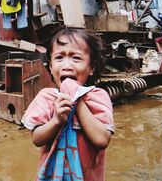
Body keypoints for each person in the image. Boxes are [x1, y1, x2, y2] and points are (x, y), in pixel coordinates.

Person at [21, 28, 114, 181]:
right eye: (59, 58)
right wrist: (56, 121)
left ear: (91, 67)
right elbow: (37, 139)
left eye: (76, 58)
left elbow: (101, 140)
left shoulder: (98, 97)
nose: (67, 65)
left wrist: (78, 102)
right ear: (50, 67)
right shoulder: (46, 97)